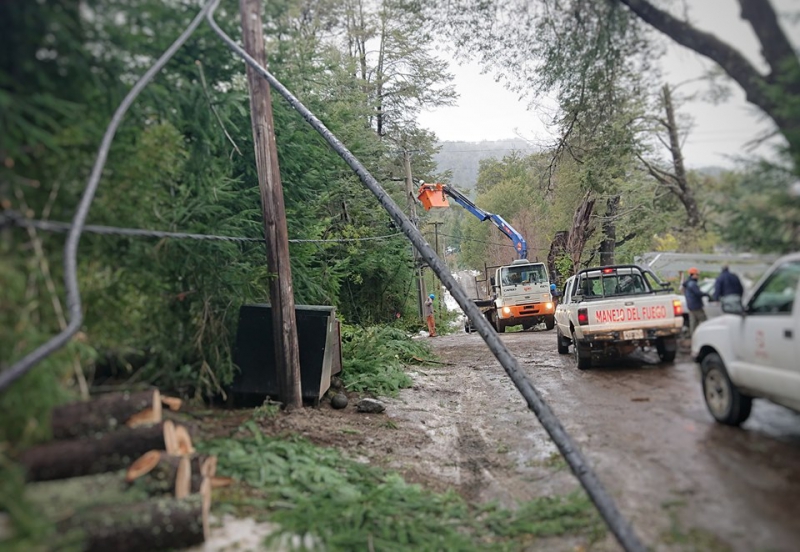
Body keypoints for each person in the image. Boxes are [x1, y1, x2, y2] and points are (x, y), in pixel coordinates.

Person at [683, 267, 710, 336]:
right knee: (705, 321)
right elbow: (698, 293)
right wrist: (707, 294)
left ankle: (694, 337)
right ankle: (709, 336)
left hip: (690, 306)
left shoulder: (687, 283)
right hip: (696, 306)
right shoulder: (692, 284)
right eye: (697, 275)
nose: (698, 276)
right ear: (693, 275)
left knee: (693, 324)